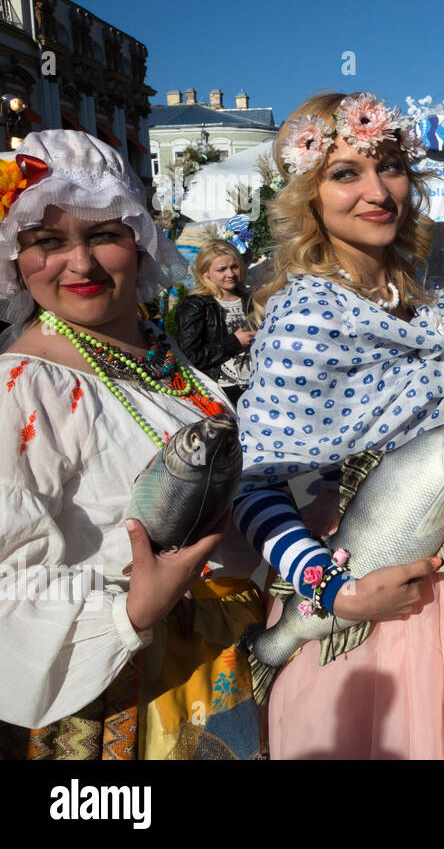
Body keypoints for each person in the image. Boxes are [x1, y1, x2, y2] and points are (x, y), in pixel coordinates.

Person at [232, 91, 444, 759]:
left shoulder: (421, 307)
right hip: (359, 614)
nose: (377, 190)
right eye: (345, 173)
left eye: (388, 166)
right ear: (309, 195)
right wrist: (335, 594)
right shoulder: (307, 316)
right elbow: (254, 486)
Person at [0, 130, 264, 760]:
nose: (81, 265)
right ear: (14, 259)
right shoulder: (22, 387)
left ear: (140, 244)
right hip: (121, 689)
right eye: (47, 243)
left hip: (227, 659)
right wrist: (131, 611)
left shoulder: (157, 359)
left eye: (103, 236)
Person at [175, 239, 254, 405]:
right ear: (205, 273)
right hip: (220, 392)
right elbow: (189, 356)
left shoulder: (251, 300)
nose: (230, 274)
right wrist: (234, 342)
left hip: (256, 386)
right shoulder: (195, 306)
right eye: (222, 269)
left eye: (234, 266)